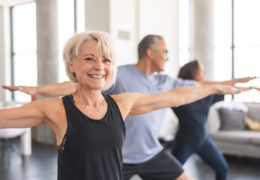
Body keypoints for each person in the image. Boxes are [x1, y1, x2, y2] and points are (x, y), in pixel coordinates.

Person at [1, 34, 251, 180]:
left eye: (106, 60)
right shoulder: (56, 109)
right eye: (89, 59)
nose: (100, 66)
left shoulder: (122, 103)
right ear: (72, 65)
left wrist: (215, 88)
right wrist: (36, 89)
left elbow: (174, 96)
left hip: (150, 153)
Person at [171, 60, 257, 180]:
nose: (204, 73)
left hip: (204, 141)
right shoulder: (180, 94)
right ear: (193, 72)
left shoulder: (208, 93)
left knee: (222, 168)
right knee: (170, 173)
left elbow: (227, 88)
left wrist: (251, 87)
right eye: (201, 70)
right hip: (184, 142)